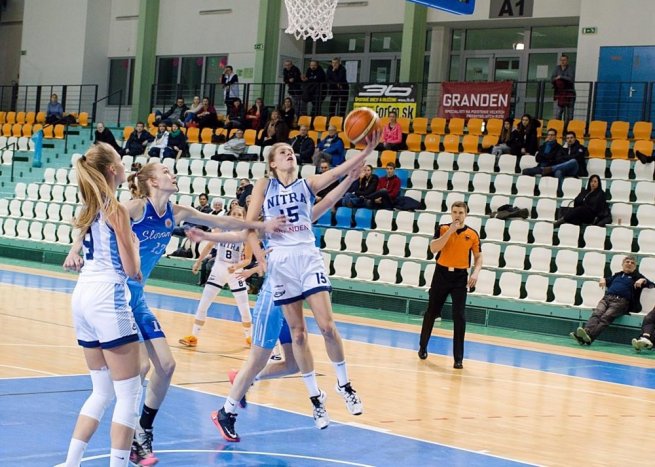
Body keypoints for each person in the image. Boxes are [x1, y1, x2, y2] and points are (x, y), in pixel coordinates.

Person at [64, 161, 282, 465]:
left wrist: (259, 226)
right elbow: (96, 222)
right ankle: (128, 443)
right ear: (152, 181)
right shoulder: (134, 208)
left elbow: (219, 222)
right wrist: (75, 248)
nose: (172, 175)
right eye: (166, 172)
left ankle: (143, 429)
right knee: (136, 373)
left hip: (136, 299)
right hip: (116, 296)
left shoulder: (176, 212)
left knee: (166, 366)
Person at [222, 133, 379, 437]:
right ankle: (313, 399)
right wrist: (261, 260)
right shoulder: (265, 187)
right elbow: (249, 227)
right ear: (272, 162)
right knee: (295, 336)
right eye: (283, 151)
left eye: (292, 151)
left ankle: (343, 384)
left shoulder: (305, 186)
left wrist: (366, 152)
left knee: (327, 327)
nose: (289, 154)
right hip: (281, 266)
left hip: (306, 260)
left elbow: (333, 181)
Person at [196, 164, 362, 443]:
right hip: (273, 298)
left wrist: (349, 179)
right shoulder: (263, 226)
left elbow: (328, 200)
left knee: (294, 364)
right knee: (258, 358)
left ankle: (244, 380)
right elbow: (235, 234)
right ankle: (226, 412)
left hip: (294, 293)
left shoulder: (297, 217)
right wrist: (208, 237)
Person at [61, 143, 142, 467]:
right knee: (128, 395)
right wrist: (134, 245)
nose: (125, 166)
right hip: (107, 296)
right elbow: (131, 269)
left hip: (82, 297)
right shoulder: (115, 209)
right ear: (112, 170)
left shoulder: (88, 207)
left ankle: (71, 462)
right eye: (121, 161)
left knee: (102, 391)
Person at [418, 201, 483, 369]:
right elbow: (433, 248)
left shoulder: (472, 234)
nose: (457, 215)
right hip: (441, 274)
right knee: (432, 312)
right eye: (454, 212)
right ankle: (423, 346)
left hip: (460, 277)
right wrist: (450, 232)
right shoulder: (443, 228)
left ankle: (458, 358)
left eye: (461, 212)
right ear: (451, 213)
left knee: (459, 317)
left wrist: (475, 272)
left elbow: (478, 257)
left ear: (466, 214)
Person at [180, 206, 254, 348]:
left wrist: (237, 267)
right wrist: (198, 261)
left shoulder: (246, 235)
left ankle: (249, 337)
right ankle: (194, 336)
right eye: (234, 214)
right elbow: (208, 247)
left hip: (235, 272)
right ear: (229, 215)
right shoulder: (221, 229)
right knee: (204, 303)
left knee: (243, 307)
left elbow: (248, 259)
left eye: (239, 214)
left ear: (243, 218)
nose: (236, 216)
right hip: (219, 269)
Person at [571, 255, 653, 346]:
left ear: (635, 267)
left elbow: (651, 284)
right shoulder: (617, 275)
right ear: (622, 264)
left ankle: (589, 337)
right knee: (597, 313)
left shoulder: (637, 276)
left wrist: (643, 280)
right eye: (627, 262)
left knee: (605, 317)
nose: (629, 264)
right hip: (606, 299)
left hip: (621, 302)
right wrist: (603, 279)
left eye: (632, 263)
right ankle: (586, 333)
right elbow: (607, 279)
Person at [522, 128, 578, 194]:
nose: (550, 136)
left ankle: (555, 191)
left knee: (556, 172)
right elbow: (537, 158)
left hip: (550, 167)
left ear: (555, 136)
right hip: (540, 167)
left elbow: (555, 159)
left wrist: (543, 155)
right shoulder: (543, 146)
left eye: (552, 135)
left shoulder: (559, 147)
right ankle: (530, 191)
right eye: (549, 135)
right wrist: (546, 156)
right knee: (525, 171)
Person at [551, 54, 576, 121]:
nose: (562, 61)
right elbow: (552, 78)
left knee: (569, 114)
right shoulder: (557, 68)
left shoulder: (570, 68)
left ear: (567, 61)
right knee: (558, 112)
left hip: (570, 93)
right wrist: (558, 78)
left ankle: (568, 128)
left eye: (564, 60)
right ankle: (558, 127)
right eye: (561, 60)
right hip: (560, 94)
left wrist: (561, 77)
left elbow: (571, 79)